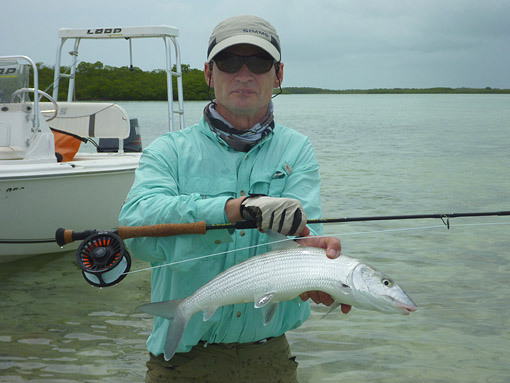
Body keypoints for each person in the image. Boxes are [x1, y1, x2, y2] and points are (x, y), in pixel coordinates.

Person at [119, 14, 351, 383]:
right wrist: (232, 209)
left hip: (271, 357)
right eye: (229, 62)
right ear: (209, 73)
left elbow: (305, 237)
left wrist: (319, 266)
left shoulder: (298, 149)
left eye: (259, 62)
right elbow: (135, 228)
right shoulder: (169, 150)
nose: (244, 74)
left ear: (279, 75)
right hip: (183, 363)